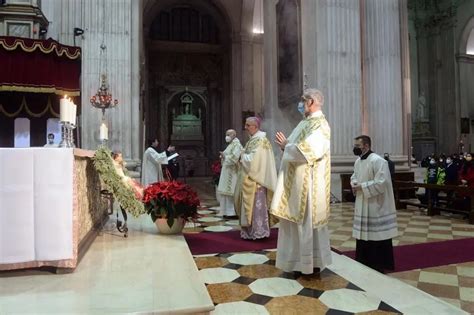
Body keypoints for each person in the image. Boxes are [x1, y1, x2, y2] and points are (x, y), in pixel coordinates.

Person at [271, 88, 332, 276]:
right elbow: (293, 146)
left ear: (311, 102)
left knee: (306, 224)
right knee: (293, 224)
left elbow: (308, 151)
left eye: (302, 101)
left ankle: (309, 265)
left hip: (308, 185)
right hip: (296, 183)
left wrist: (286, 146)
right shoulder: (305, 123)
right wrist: (287, 145)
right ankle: (294, 263)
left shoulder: (320, 126)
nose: (300, 104)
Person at [351, 135, 398, 273]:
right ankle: (363, 260)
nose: (355, 149)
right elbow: (354, 176)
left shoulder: (378, 161)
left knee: (377, 235)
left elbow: (382, 182)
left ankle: (378, 264)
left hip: (376, 204)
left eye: (357, 146)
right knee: (364, 235)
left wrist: (362, 186)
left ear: (366, 146)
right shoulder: (358, 161)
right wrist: (354, 184)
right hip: (363, 200)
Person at [234, 117, 277, 240]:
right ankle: (249, 231)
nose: (246, 127)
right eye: (246, 125)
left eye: (248, 125)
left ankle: (258, 231)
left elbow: (255, 160)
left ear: (256, 126)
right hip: (249, 179)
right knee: (250, 208)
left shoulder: (261, 141)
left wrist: (241, 155)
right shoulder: (252, 140)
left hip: (256, 181)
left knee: (256, 208)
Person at [217, 129, 243, 218]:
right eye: (226, 134)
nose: (226, 136)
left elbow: (235, 158)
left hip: (232, 173)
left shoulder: (237, 145)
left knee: (230, 193)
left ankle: (232, 212)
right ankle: (225, 212)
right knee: (225, 193)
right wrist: (223, 156)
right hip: (227, 171)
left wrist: (225, 156)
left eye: (228, 134)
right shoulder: (231, 145)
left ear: (234, 135)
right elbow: (226, 155)